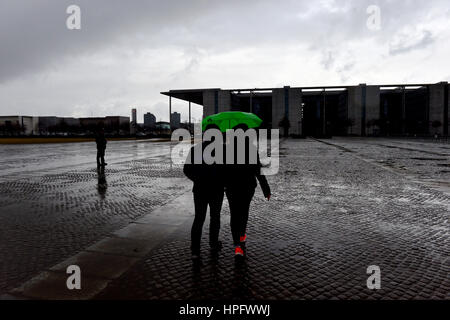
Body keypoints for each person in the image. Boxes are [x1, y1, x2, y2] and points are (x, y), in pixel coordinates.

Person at [224, 125, 271, 259]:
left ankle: (237, 245)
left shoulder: (228, 150)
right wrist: (266, 189)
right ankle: (242, 235)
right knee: (244, 212)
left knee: (234, 214)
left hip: (232, 187)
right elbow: (258, 171)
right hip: (247, 187)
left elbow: (223, 171)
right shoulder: (251, 149)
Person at [184, 128, 225, 261]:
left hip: (200, 189)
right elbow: (227, 171)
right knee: (215, 217)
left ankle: (195, 250)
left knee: (199, 218)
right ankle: (213, 244)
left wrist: (198, 179)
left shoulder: (195, 150)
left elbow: (187, 170)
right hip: (217, 190)